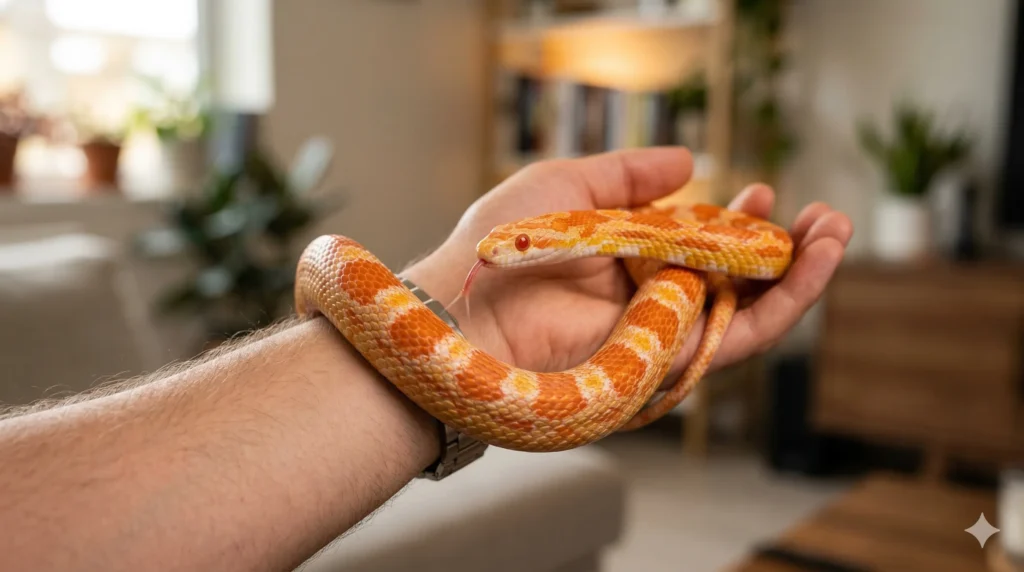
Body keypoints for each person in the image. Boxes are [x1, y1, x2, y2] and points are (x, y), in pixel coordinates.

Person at [0, 148, 852, 571]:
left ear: (565, 236)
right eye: (512, 241)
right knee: (335, 255)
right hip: (408, 305)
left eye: (517, 243)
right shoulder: (628, 246)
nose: (504, 248)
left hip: (680, 252)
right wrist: (462, 302)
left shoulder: (640, 232)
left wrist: (701, 274)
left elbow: (745, 245)